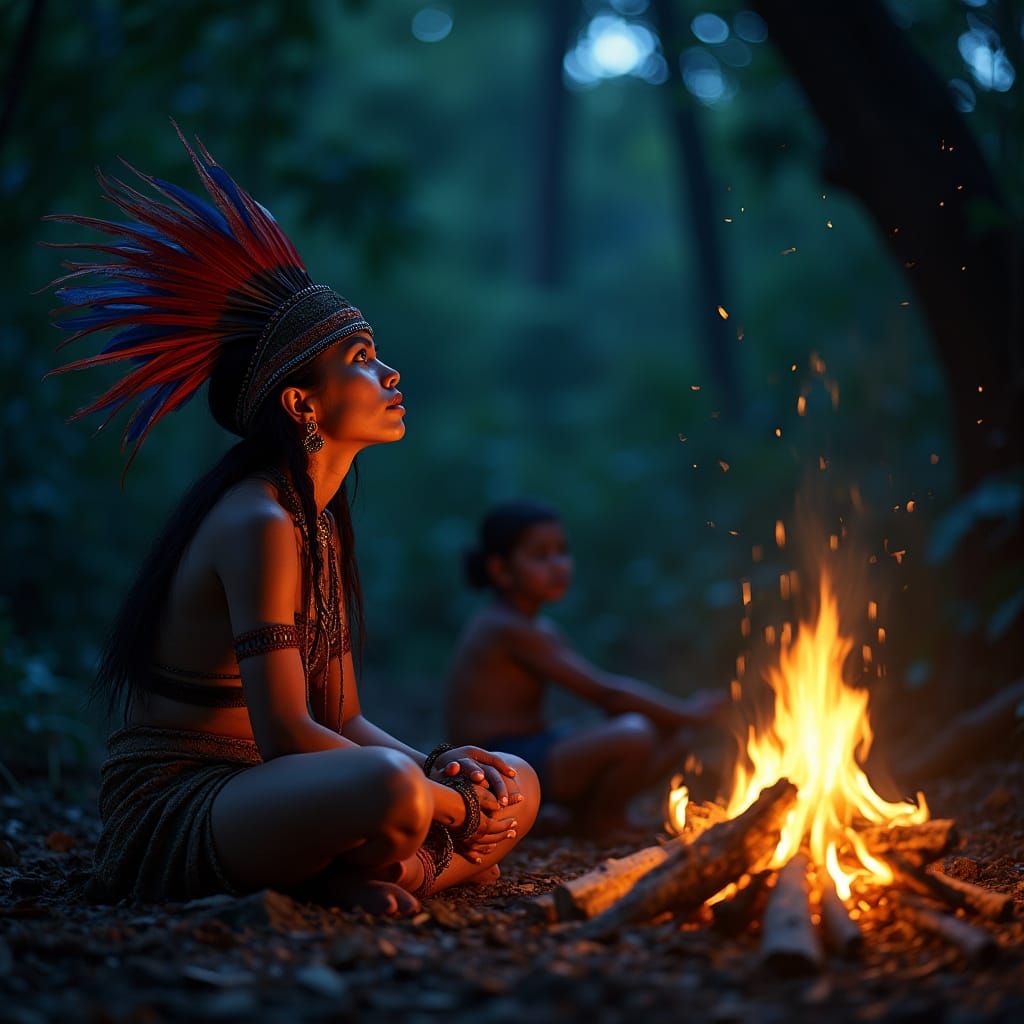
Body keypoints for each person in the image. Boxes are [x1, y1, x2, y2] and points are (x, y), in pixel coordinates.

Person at [43, 124, 539, 915]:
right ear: (302, 402)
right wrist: (446, 802)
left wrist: (445, 766)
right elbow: (285, 734)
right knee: (393, 790)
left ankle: (361, 877)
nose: (389, 373)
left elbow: (340, 717)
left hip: (282, 791)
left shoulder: (319, 522)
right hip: (188, 804)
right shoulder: (259, 522)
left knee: (516, 779)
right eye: (361, 359)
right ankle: (393, 872)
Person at [446, 501, 726, 839]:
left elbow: (604, 696)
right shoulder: (505, 627)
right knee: (635, 732)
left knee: (673, 735)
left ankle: (577, 815)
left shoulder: (537, 627)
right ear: (501, 570)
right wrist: (689, 712)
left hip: (532, 751)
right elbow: (607, 694)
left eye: (562, 551)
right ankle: (603, 820)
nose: (558, 565)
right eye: (541, 556)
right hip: (496, 769)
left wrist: (681, 718)